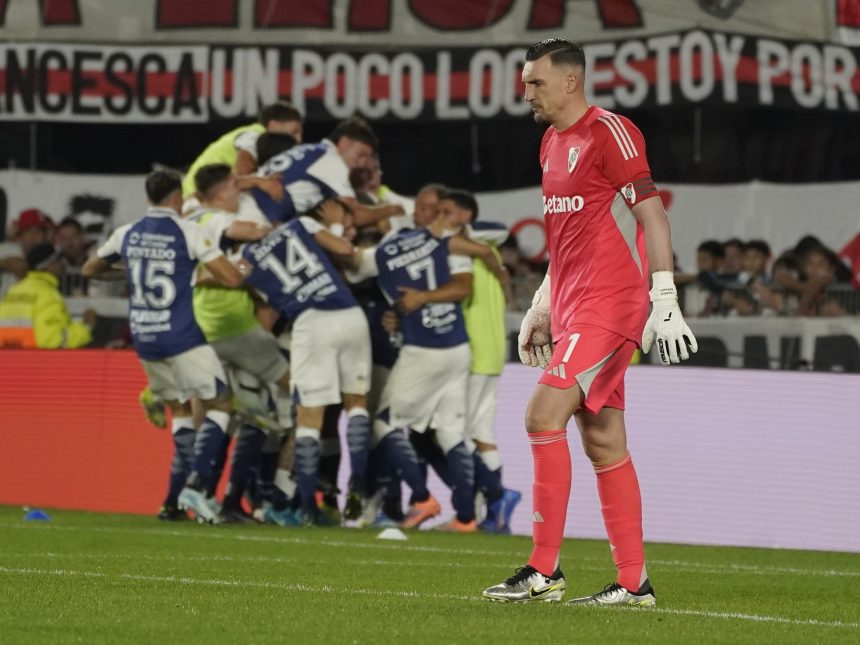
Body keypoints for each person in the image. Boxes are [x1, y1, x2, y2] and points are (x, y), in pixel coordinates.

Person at [482, 39, 697, 606]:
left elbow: (653, 217)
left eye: (535, 83)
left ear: (570, 81)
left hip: (611, 304)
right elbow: (566, 238)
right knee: (603, 441)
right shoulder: (550, 142)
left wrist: (665, 300)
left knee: (541, 414)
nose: (527, 93)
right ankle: (634, 583)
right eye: (525, 83)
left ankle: (543, 571)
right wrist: (542, 304)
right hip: (574, 305)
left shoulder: (611, 132)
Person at [83, 167, 250, 524]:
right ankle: (196, 484)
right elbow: (231, 279)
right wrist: (242, 268)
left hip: (145, 338)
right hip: (181, 336)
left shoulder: (126, 233)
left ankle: (171, 502)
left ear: (149, 198)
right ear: (177, 198)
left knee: (182, 412)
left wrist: (129, 270)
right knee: (221, 402)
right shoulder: (190, 232)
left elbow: (89, 270)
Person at [238, 197, 373, 526]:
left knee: (309, 418)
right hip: (350, 313)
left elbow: (262, 313)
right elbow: (346, 250)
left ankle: (308, 505)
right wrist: (337, 225)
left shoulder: (246, 259)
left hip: (310, 324)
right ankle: (357, 480)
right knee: (356, 404)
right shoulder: (303, 225)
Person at [436, 189, 522, 533]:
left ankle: (477, 507)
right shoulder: (483, 249)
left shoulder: (473, 244)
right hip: (491, 351)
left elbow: (497, 229)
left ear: (466, 215)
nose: (440, 218)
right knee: (480, 431)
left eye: (447, 211)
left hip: (473, 350)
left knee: (456, 432)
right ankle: (494, 511)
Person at [252, 117, 403, 227]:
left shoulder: (311, 150)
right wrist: (392, 209)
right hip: (259, 219)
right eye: (360, 154)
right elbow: (355, 216)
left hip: (251, 206)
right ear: (344, 142)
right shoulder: (332, 161)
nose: (362, 163)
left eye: (366, 158)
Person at [181, 101, 304, 200]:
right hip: (200, 199)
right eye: (294, 132)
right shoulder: (253, 135)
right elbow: (244, 172)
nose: (298, 139)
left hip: (206, 196)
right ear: (272, 125)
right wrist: (264, 182)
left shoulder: (261, 139)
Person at [0, 243, 94, 348]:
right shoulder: (48, 295)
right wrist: (86, 327)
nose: (62, 265)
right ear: (47, 265)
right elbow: (52, 341)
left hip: (6, 356)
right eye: (58, 260)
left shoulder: (12, 291)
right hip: (32, 357)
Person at [0, 209, 53, 299]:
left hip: (36, 303)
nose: (33, 236)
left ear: (44, 235)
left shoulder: (50, 255)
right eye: (28, 231)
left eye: (38, 231)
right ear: (20, 234)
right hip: (6, 303)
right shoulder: (7, 249)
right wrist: (4, 263)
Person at [54, 218, 91, 296]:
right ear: (58, 240)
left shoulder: (94, 263)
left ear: (83, 237)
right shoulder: (53, 266)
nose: (69, 243)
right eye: (64, 238)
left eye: (73, 237)